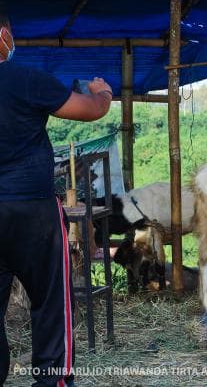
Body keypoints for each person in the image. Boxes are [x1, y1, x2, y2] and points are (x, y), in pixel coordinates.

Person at [0, 21, 113, 386]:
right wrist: (103, 91)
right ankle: (53, 381)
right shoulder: (26, 78)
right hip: (33, 211)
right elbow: (91, 109)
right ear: (3, 36)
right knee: (51, 301)